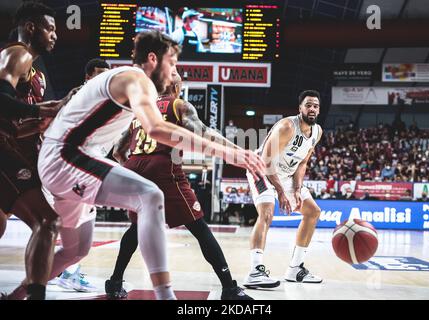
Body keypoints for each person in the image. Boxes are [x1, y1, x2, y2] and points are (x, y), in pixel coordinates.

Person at [9, 30, 264, 301]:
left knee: (75, 251)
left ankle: (16, 295)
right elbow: (157, 129)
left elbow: (118, 146)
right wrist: (230, 153)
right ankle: (167, 296)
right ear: (153, 59)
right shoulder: (138, 79)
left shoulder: (134, 92)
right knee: (150, 195)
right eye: (173, 64)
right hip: (68, 157)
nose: (175, 71)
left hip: (80, 161)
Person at [105, 73, 254, 300]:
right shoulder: (178, 105)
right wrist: (237, 152)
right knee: (200, 228)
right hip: (162, 167)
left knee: (137, 228)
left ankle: (114, 282)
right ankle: (229, 288)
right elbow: (204, 133)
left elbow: (117, 150)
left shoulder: (140, 109)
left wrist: (133, 171)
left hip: (135, 165)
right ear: (176, 86)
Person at [0, 2, 64, 300]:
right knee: (48, 221)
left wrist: (45, 120)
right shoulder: (17, 53)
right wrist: (42, 109)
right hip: (3, 151)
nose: (55, 35)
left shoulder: (34, 71)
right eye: (50, 28)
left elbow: (13, 126)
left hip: (9, 142)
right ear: (30, 28)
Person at [243, 90, 323, 289]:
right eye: (308, 105)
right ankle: (255, 271)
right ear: (300, 108)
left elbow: (303, 162)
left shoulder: (317, 132)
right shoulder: (288, 126)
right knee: (267, 213)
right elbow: (267, 161)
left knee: (312, 212)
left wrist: (296, 188)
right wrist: (280, 192)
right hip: (261, 168)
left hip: (286, 174)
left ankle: (295, 269)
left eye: (316, 106)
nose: (312, 109)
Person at [49, 58, 111, 293]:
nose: (102, 79)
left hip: (84, 165)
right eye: (97, 75)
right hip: (70, 166)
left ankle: (58, 270)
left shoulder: (107, 100)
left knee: (69, 223)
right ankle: (69, 273)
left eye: (105, 75)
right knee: (75, 222)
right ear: (87, 77)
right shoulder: (80, 98)